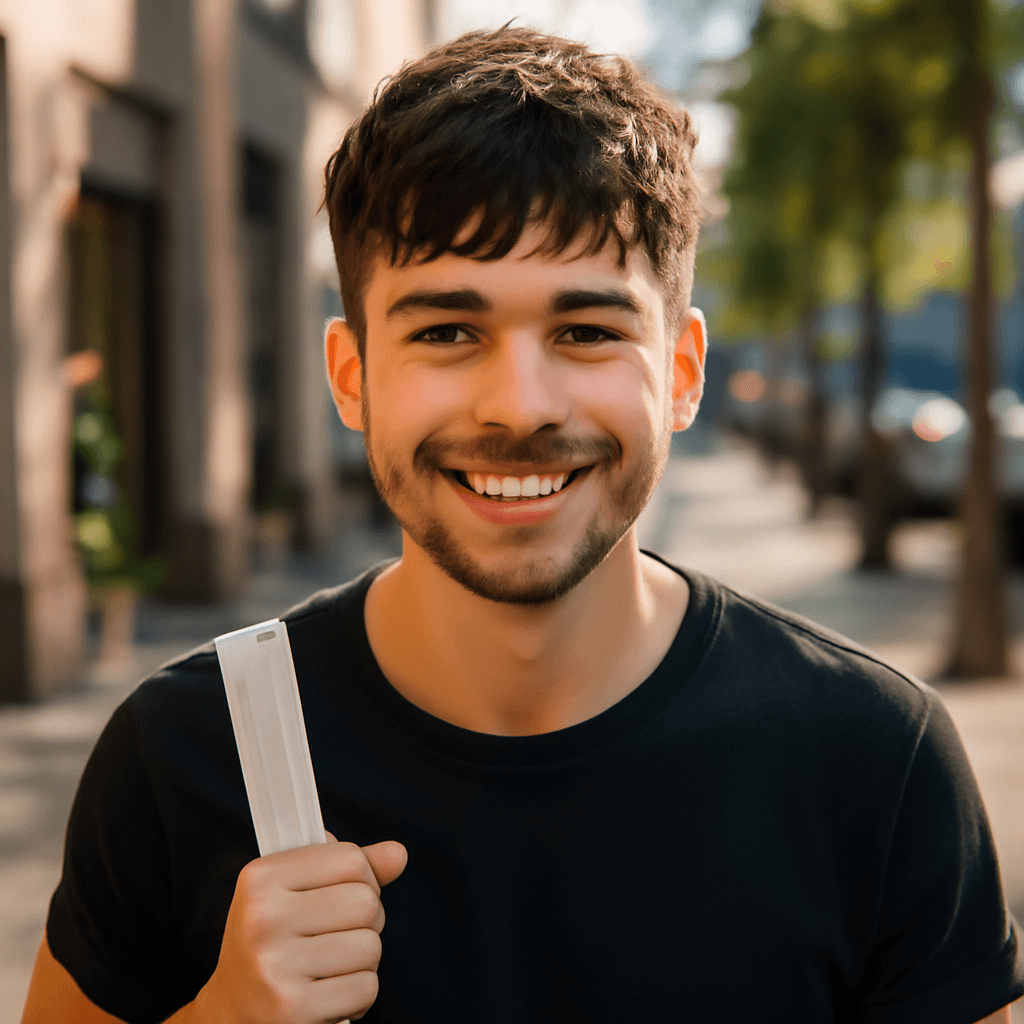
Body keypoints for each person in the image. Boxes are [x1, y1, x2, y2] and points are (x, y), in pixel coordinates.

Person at [21, 26, 1024, 1024]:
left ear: (679, 373)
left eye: (585, 331)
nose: (519, 405)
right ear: (350, 375)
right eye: (447, 331)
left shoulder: (874, 762)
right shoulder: (183, 755)